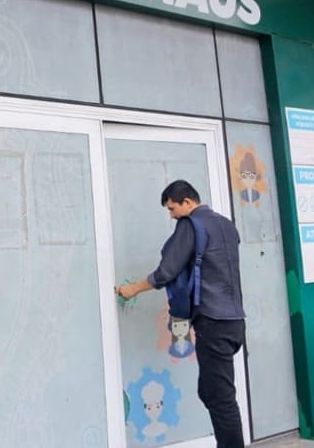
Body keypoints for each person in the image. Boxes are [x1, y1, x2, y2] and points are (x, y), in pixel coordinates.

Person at [115, 179, 246, 448]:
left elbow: (166, 271)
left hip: (213, 321)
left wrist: (133, 289)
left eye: (172, 208)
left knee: (220, 398)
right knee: (209, 391)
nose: (171, 215)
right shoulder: (226, 225)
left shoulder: (191, 224)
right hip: (234, 321)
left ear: (187, 202)